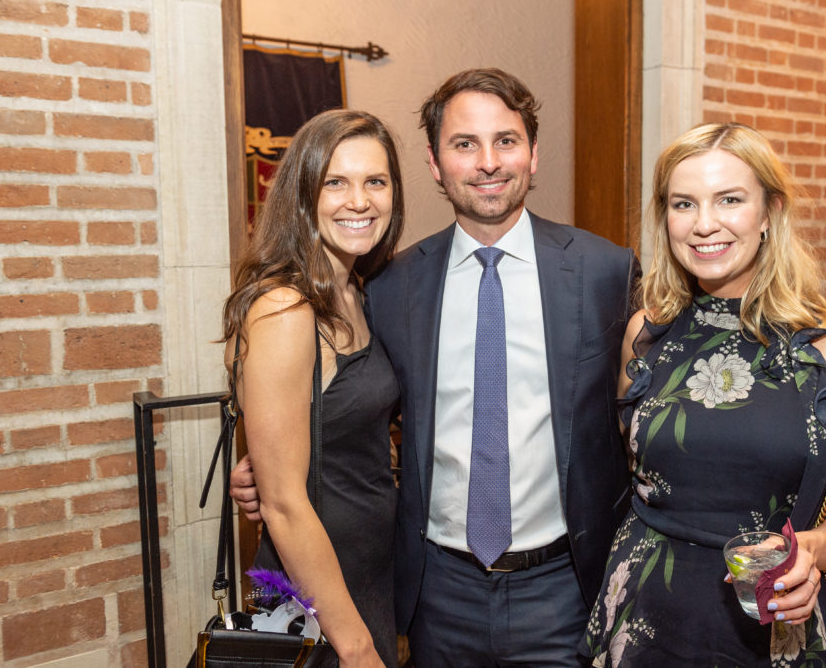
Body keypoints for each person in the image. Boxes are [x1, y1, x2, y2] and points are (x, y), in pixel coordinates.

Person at [232, 68, 639, 666]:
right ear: (433, 163)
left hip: (563, 589)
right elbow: (347, 404)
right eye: (464, 144)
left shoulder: (606, 271)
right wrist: (267, 470)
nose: (488, 162)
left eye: (506, 140)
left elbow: (646, 414)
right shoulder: (393, 286)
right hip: (435, 592)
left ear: (533, 154)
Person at [580, 122, 826, 666]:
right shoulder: (647, 334)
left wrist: (813, 550)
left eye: (729, 200)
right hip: (644, 614)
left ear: (770, 212)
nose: (705, 225)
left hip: (776, 620)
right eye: (684, 204)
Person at [221, 109, 404, 667]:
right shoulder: (284, 307)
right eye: (336, 182)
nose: (360, 200)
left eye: (376, 181)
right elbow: (281, 502)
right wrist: (356, 646)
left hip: (365, 572)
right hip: (314, 595)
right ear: (303, 194)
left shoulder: (359, 291)